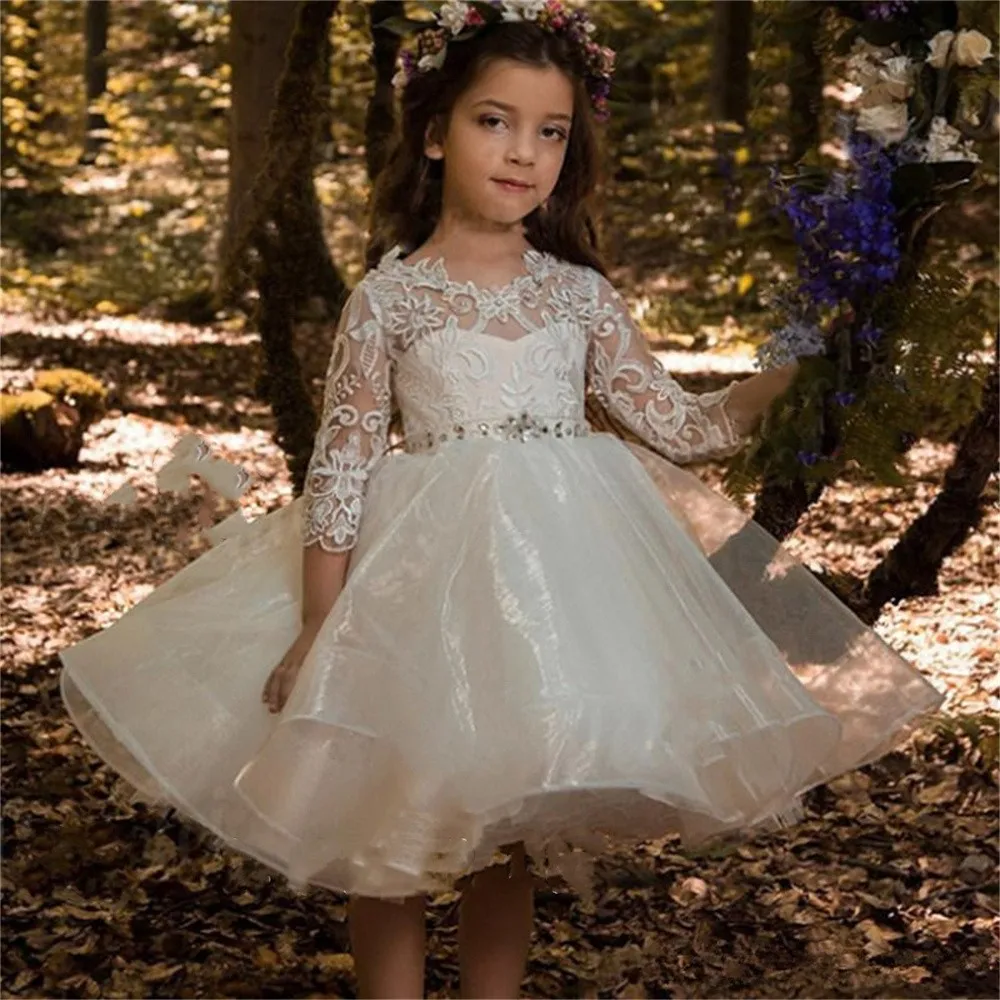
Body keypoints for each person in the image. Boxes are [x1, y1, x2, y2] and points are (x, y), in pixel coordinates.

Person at [59, 2, 946, 997]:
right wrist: (318, 627)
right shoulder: (390, 298)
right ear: (435, 133)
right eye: (495, 121)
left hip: (555, 582)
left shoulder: (577, 295)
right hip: (419, 579)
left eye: (551, 131)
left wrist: (801, 363)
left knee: (505, 819)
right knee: (387, 825)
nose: (525, 152)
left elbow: (685, 423)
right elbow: (343, 466)